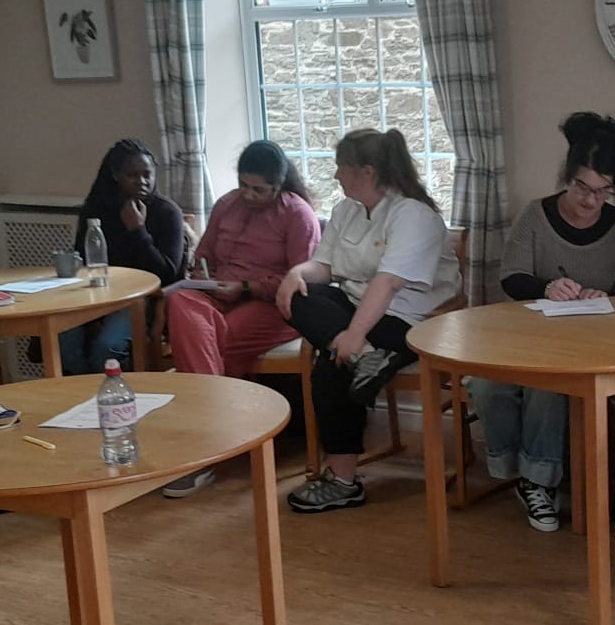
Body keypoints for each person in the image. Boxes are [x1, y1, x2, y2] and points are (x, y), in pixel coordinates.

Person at [464, 112, 615, 533]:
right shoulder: (536, 215)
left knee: (547, 386)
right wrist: (547, 287)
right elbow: (512, 277)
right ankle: (519, 470)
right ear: (566, 176)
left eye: (604, 192)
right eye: (583, 187)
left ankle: (537, 480)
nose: (590, 201)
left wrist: (606, 297)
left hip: (591, 343)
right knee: (484, 383)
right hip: (529, 335)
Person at [277, 128, 460, 514]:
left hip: (414, 319)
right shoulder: (347, 209)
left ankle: (343, 481)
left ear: (367, 171)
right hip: (358, 305)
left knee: (333, 366)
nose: (335, 176)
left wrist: (355, 336)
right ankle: (366, 357)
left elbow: (389, 282)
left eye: (341, 167)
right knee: (301, 298)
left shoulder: (413, 214)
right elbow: (324, 267)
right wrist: (297, 273)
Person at [158, 139, 321, 499]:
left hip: (272, 305)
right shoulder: (226, 205)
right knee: (183, 302)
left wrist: (246, 287)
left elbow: (303, 278)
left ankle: (204, 450)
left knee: (212, 340)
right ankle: (218, 436)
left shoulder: (297, 214)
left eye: (259, 190)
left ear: (278, 186)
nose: (249, 195)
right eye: (244, 185)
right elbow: (204, 255)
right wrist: (202, 274)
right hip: (218, 295)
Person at [63, 138, 189, 374]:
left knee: (107, 346)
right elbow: (83, 256)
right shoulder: (96, 210)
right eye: (132, 175)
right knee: (63, 340)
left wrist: (138, 231)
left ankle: (105, 394)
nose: (142, 182)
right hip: (97, 293)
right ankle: (82, 394)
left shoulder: (166, 211)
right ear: (115, 175)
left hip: (143, 298)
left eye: (147, 174)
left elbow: (167, 273)